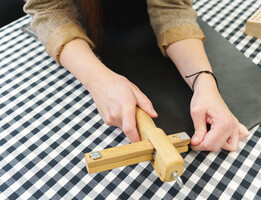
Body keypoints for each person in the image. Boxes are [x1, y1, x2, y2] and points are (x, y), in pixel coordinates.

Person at [23, 0, 249, 152]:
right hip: (85, 31)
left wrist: (205, 82)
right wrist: (98, 81)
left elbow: (171, 7)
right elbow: (48, 10)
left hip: (145, 28)